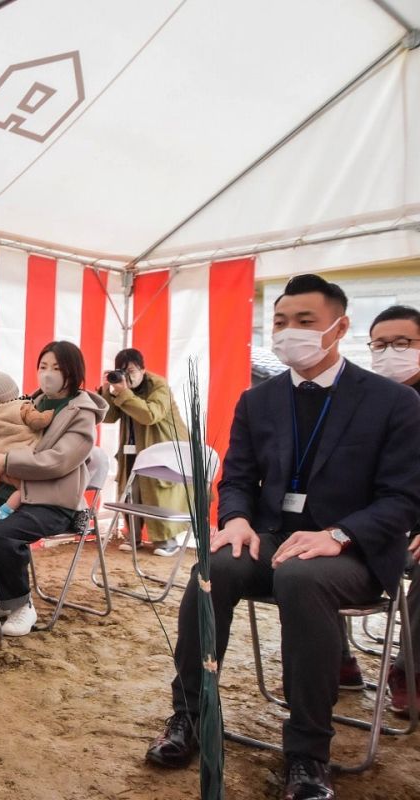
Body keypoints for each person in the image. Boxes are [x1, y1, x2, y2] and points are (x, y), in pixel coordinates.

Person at [145, 275, 420, 800]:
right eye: (280, 322)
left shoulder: (392, 402)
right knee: (214, 568)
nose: (288, 332)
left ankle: (307, 753)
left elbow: (402, 499)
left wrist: (339, 534)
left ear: (340, 328)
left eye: (305, 322)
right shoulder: (259, 399)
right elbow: (239, 478)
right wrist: (237, 520)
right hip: (272, 536)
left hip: (354, 550)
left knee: (302, 578)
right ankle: (188, 716)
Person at [0, 341, 107, 636]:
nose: (47, 374)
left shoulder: (82, 415)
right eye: (43, 367)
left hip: (54, 500)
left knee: (2, 535)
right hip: (8, 492)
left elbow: (58, 461)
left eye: (56, 368)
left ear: (73, 373)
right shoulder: (28, 404)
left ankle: (22, 605)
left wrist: (7, 460)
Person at [367, 305, 420, 716]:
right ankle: (334, 659)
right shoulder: (365, 401)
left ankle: (408, 671)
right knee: (313, 556)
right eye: (380, 345)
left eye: (403, 344)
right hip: (373, 524)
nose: (390, 353)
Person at [100, 348, 190, 557]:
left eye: (131, 370)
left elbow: (151, 414)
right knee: (130, 490)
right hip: (132, 448)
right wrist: (107, 389)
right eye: (121, 371)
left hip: (161, 447)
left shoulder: (158, 385)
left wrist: (123, 393)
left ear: (143, 369)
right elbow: (108, 417)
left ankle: (166, 540)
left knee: (159, 492)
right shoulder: (120, 389)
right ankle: (134, 536)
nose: (127, 376)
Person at [0, 364, 53, 519]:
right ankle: (6, 510)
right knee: (23, 489)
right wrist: (49, 414)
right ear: (13, 390)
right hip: (15, 461)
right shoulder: (22, 407)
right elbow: (37, 422)